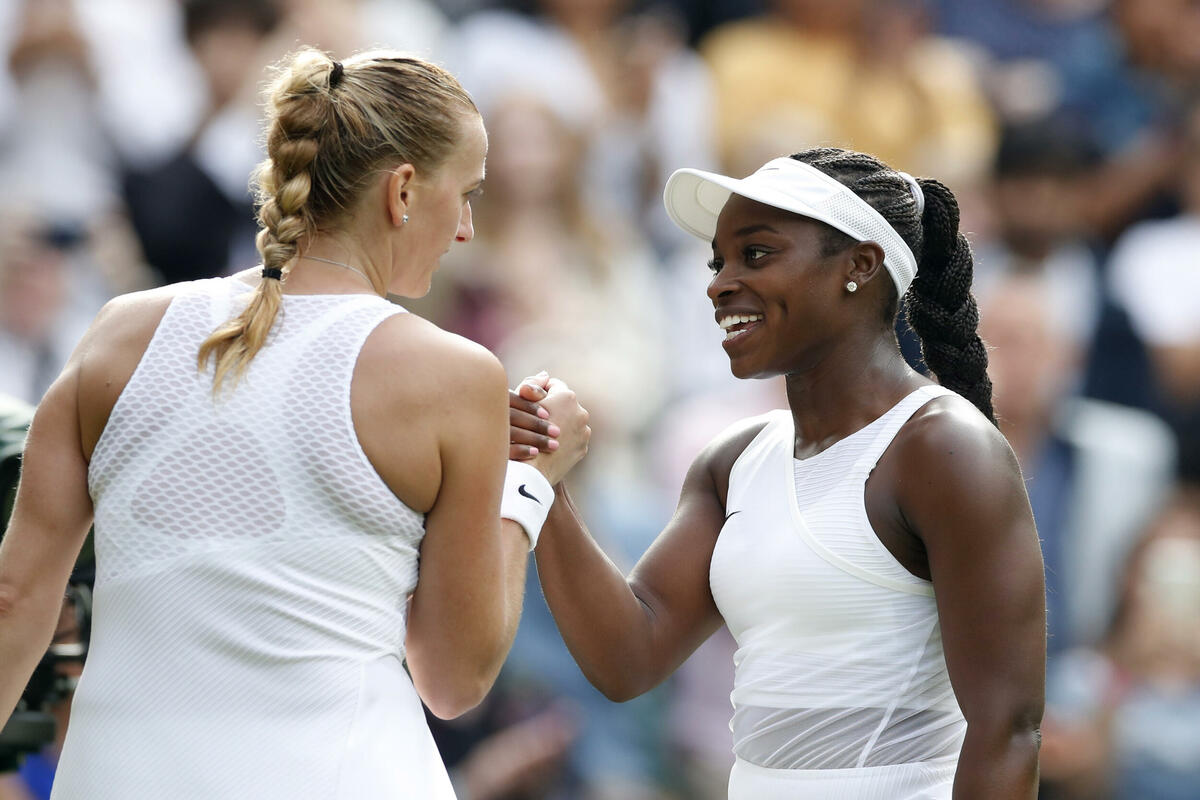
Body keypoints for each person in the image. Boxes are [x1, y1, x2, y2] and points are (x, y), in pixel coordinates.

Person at [0, 47, 589, 799]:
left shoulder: (117, 333)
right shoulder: (455, 376)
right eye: (467, 194)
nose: (468, 228)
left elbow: (13, 601)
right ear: (403, 190)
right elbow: (454, 678)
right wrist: (528, 484)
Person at [510, 148, 1046, 798]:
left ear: (859, 266)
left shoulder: (943, 447)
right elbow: (627, 658)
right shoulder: (732, 462)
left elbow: (1006, 729)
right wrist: (547, 481)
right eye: (718, 262)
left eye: (756, 254)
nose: (719, 284)